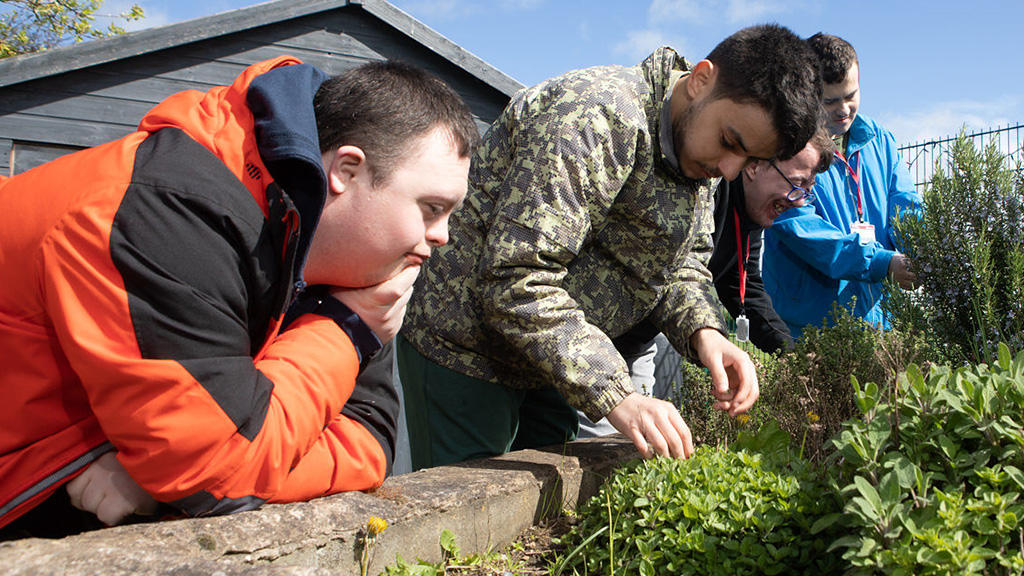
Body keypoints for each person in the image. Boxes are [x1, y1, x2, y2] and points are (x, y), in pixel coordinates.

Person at [0, 57, 479, 535]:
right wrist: (348, 329)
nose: (443, 236)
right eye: (431, 208)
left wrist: (179, 470)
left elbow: (368, 439)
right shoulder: (166, 212)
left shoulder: (357, 267)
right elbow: (218, 473)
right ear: (347, 171)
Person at [397, 24, 824, 471]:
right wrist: (618, 393)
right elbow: (516, 277)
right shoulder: (594, 117)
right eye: (730, 143)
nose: (730, 170)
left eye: (749, 159)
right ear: (700, 80)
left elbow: (682, 267)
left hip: (550, 363)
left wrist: (707, 333)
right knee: (468, 524)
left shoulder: (702, 158)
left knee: (549, 516)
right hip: (465, 349)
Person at [762, 33, 921, 338]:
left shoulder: (881, 140)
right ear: (806, 93)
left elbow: (905, 202)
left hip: (878, 315)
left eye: (851, 95)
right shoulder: (786, 151)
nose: (844, 109)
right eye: (831, 101)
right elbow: (806, 231)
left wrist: (919, 250)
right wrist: (883, 262)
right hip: (810, 325)